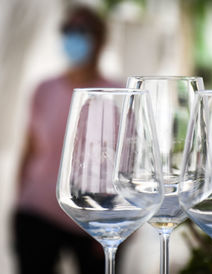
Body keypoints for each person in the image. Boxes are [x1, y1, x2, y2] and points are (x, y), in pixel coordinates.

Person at [13, 5, 119, 274]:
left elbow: (127, 162)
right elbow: (30, 150)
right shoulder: (43, 89)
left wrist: (115, 223)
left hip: (93, 215)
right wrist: (17, 203)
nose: (74, 37)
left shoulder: (118, 94)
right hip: (38, 211)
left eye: (82, 30)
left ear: (101, 39)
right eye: (68, 30)